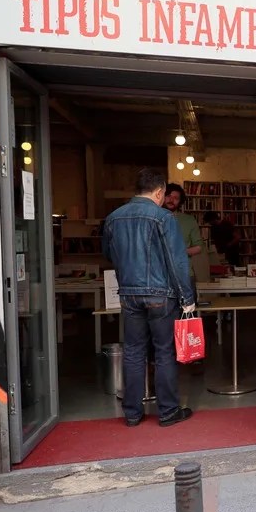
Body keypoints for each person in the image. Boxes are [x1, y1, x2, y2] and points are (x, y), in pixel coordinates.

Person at [103, 169, 196, 427]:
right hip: (161, 294)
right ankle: (168, 412)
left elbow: (108, 254)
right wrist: (187, 297)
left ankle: (132, 413)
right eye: (164, 194)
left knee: (133, 351)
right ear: (158, 192)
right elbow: (177, 261)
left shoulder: (113, 218)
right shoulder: (164, 218)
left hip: (128, 293)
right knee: (164, 351)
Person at [164, 183, 203, 261]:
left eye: (176, 198)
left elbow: (199, 247)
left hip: (182, 267)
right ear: (162, 197)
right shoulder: (151, 219)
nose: (171, 200)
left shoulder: (189, 220)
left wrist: (179, 253)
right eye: (168, 196)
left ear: (180, 201)